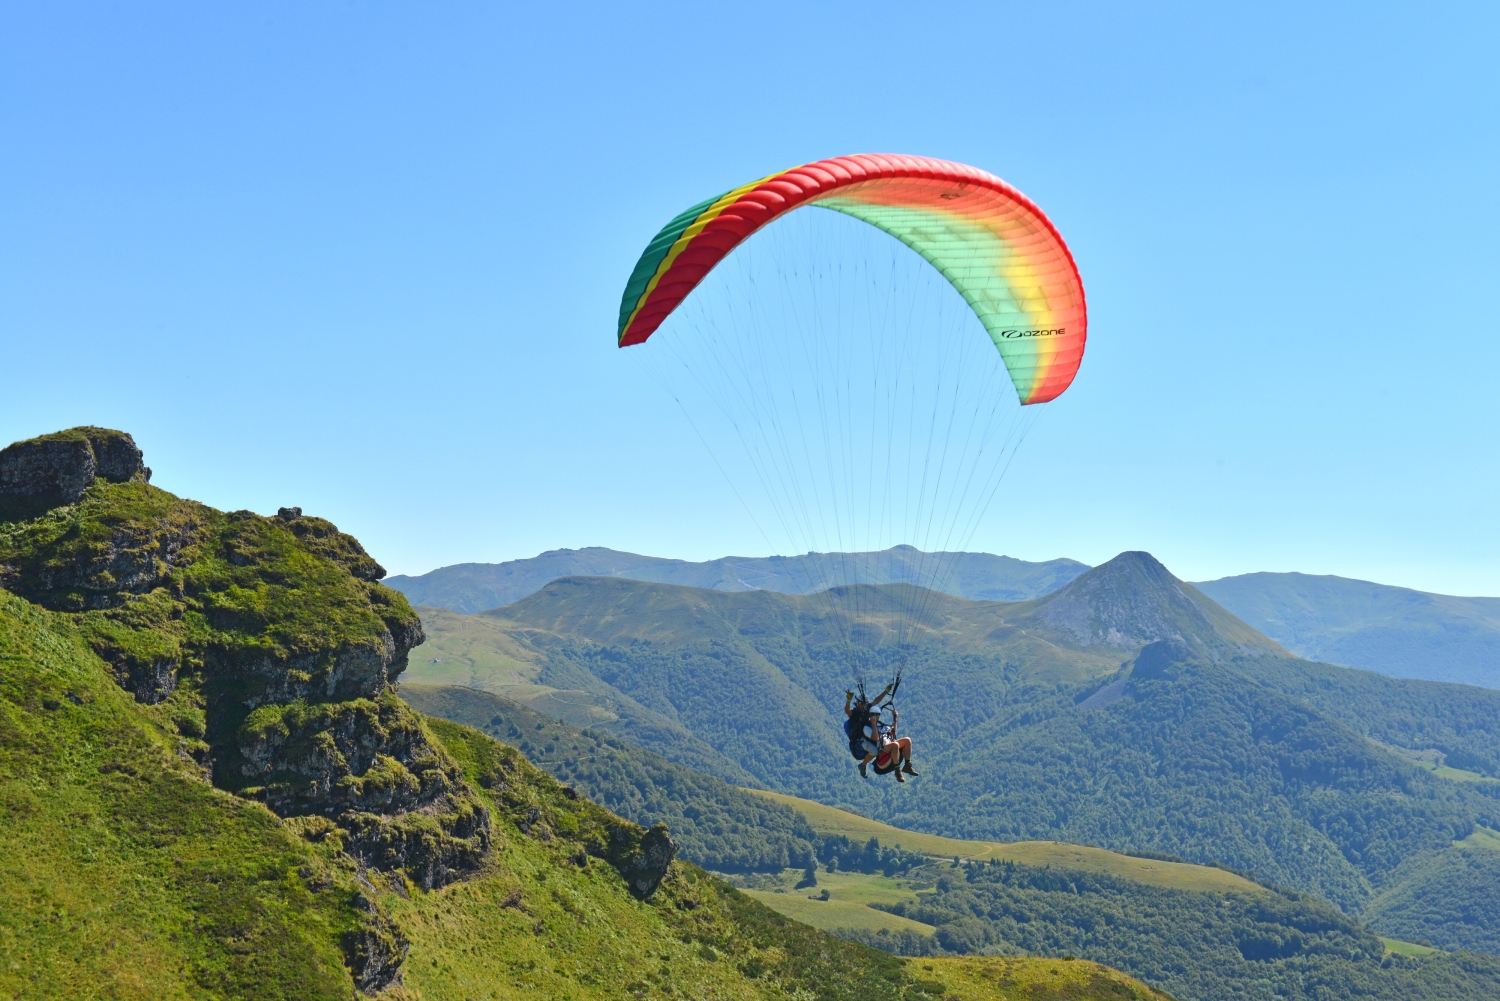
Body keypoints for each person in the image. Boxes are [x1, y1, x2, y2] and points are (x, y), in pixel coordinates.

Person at [843, 688, 918, 781]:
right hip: (860, 740)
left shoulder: (873, 716)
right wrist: (848, 700)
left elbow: (876, 700)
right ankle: (896, 772)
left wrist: (886, 691)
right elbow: (847, 711)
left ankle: (907, 765)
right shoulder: (858, 716)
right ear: (857, 703)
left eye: (877, 714)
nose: (864, 705)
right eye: (862, 703)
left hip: (886, 744)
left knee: (907, 740)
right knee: (875, 751)